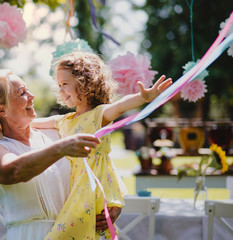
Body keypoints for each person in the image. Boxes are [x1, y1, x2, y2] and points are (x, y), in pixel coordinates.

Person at [0, 69, 116, 240]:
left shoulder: (56, 132)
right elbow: (13, 171)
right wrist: (60, 148)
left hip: (74, 232)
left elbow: (100, 159)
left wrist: (112, 202)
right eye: (22, 93)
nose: (32, 96)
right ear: (1, 109)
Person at [31, 51, 172, 239]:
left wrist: (143, 98)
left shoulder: (100, 114)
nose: (61, 90)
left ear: (85, 83)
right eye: (59, 86)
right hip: (74, 187)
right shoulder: (65, 120)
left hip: (92, 187)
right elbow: (32, 123)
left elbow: (120, 106)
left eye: (65, 84)